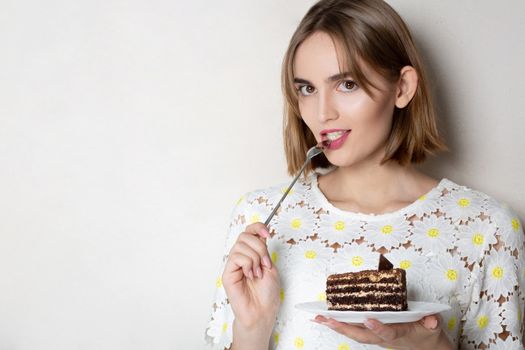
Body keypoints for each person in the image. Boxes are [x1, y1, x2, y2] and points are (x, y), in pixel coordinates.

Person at [205, 0, 525, 349]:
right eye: (307, 89)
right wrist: (252, 328)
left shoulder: (485, 227)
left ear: (402, 88)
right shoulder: (258, 217)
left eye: (346, 84)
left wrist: (434, 347)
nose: (322, 112)